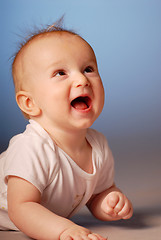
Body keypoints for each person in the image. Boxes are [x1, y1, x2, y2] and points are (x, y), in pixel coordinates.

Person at [0, 20, 133, 240]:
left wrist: (109, 201)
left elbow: (96, 194)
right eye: (61, 73)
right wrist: (64, 230)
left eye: (88, 69)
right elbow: (21, 208)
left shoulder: (98, 146)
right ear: (29, 103)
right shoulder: (31, 147)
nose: (82, 79)